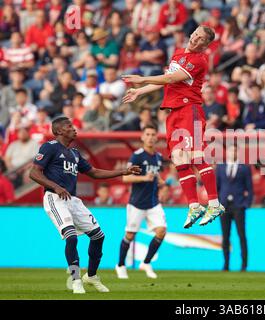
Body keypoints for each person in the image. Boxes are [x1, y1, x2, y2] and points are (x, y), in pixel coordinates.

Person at [122, 26, 225, 228]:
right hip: (174, 112)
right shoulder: (178, 54)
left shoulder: (199, 61)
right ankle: (194, 206)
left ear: (205, 46)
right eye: (195, 34)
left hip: (190, 110)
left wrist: (142, 78)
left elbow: (169, 78)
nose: (195, 39)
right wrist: (140, 91)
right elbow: (166, 82)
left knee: (196, 156)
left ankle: (214, 203)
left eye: (201, 39)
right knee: (179, 158)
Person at [28, 117, 141, 294]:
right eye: (69, 127)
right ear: (59, 131)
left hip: (72, 200)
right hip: (54, 198)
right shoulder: (49, 147)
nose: (74, 129)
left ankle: (92, 276)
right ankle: (75, 280)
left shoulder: (75, 153)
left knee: (98, 236)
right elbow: (33, 172)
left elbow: (94, 172)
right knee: (71, 237)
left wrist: (124, 171)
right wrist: (56, 187)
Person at [116, 125, 166, 279]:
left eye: (153, 134)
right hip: (137, 203)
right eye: (148, 134)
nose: (150, 137)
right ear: (143, 137)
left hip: (153, 203)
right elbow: (126, 177)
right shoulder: (137, 156)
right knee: (130, 235)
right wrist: (144, 178)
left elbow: (157, 176)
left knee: (161, 231)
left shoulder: (158, 157)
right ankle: (120, 265)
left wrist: (161, 182)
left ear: (156, 137)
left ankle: (146, 262)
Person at [216, 145, 253, 271]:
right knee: (225, 236)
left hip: (238, 205)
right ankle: (226, 264)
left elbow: (250, 188)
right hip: (224, 206)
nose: (233, 152)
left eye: (235, 150)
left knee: (241, 235)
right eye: (231, 150)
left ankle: (244, 265)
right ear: (227, 152)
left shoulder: (245, 168)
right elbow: (217, 187)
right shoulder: (220, 167)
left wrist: (246, 204)